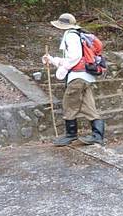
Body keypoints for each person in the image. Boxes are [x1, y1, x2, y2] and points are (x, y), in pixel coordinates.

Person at [43, 13, 105, 146]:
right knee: (88, 105)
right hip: (86, 76)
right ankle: (97, 135)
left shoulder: (70, 35)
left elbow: (74, 57)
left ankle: (71, 135)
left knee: (69, 103)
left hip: (77, 77)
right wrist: (53, 60)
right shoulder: (78, 34)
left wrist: (61, 68)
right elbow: (74, 57)